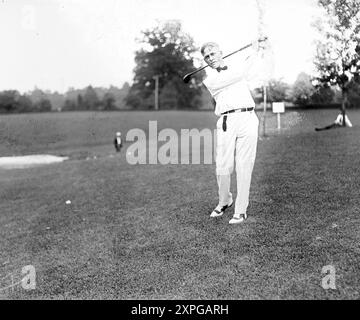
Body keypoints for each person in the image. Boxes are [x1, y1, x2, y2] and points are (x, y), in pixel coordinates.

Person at [201, 39, 268, 224]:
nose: (210, 58)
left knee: (244, 165)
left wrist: (256, 52)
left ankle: (241, 209)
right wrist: (251, 53)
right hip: (226, 121)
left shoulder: (236, 68)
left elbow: (250, 71)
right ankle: (225, 200)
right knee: (223, 165)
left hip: (247, 118)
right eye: (206, 56)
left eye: (213, 53)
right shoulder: (210, 79)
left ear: (220, 52)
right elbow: (238, 74)